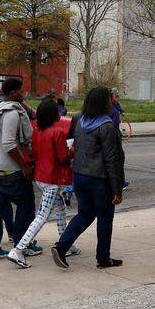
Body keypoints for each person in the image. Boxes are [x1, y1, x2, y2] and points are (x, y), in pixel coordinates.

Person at [51, 86, 124, 269]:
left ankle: (61, 247)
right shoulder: (106, 126)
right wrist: (117, 188)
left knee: (85, 214)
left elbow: (72, 145)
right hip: (99, 180)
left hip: (80, 176)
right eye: (108, 99)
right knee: (105, 218)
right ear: (103, 103)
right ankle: (103, 258)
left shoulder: (79, 120)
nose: (111, 102)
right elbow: (111, 160)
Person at [8, 98, 76, 269]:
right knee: (42, 216)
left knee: (60, 210)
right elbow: (63, 158)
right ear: (54, 114)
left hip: (41, 177)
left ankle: (66, 244)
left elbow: (34, 154)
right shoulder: (58, 132)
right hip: (53, 179)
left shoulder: (37, 131)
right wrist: (73, 149)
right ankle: (19, 249)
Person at [0, 77, 36, 261]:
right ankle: (21, 245)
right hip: (8, 170)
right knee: (26, 204)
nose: (23, 94)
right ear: (13, 93)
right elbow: (9, 144)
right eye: (20, 91)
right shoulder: (11, 113)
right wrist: (24, 166)